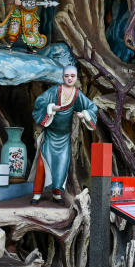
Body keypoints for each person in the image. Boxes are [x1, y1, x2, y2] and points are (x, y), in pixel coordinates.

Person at [29, 65, 97, 205]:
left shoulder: (77, 94)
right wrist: (50, 108)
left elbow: (92, 107)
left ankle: (57, 194)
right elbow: (40, 101)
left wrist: (84, 114)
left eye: (72, 76)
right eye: (67, 75)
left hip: (64, 138)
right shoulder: (55, 91)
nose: (69, 78)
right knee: (42, 165)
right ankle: (36, 194)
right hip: (49, 136)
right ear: (63, 77)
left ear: (76, 77)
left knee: (61, 166)